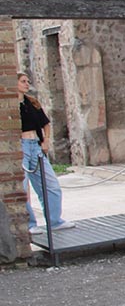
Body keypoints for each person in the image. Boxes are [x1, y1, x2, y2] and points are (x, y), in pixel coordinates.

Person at [17, 72, 76, 234]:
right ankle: (29, 224)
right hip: (21, 146)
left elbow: (46, 123)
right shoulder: (11, 106)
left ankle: (54, 220)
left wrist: (46, 140)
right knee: (22, 187)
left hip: (35, 145)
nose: (27, 84)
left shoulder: (32, 102)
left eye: (27, 81)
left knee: (50, 185)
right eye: (23, 81)